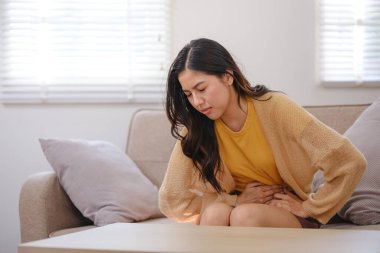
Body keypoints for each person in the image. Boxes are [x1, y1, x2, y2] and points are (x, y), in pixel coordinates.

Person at [159, 38, 366, 228]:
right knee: (216, 213)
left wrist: (311, 207)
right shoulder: (197, 128)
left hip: (285, 213)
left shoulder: (276, 108)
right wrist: (234, 200)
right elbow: (171, 199)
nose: (196, 101)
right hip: (238, 208)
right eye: (188, 95)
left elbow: (349, 161)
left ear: (228, 76)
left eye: (201, 89)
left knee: (244, 216)